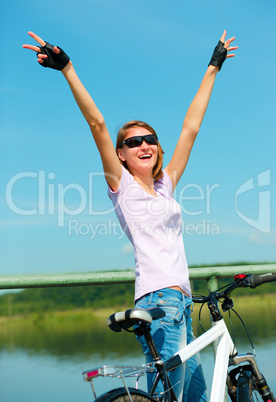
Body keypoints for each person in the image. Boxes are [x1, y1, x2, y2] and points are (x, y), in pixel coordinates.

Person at [23, 30, 237, 401]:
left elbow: (191, 127)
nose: (144, 145)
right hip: (159, 302)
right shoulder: (121, 185)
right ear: (121, 154)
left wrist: (213, 65)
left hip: (183, 303)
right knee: (169, 395)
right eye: (133, 141)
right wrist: (67, 68)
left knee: (199, 397)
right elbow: (98, 125)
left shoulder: (165, 185)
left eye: (150, 139)